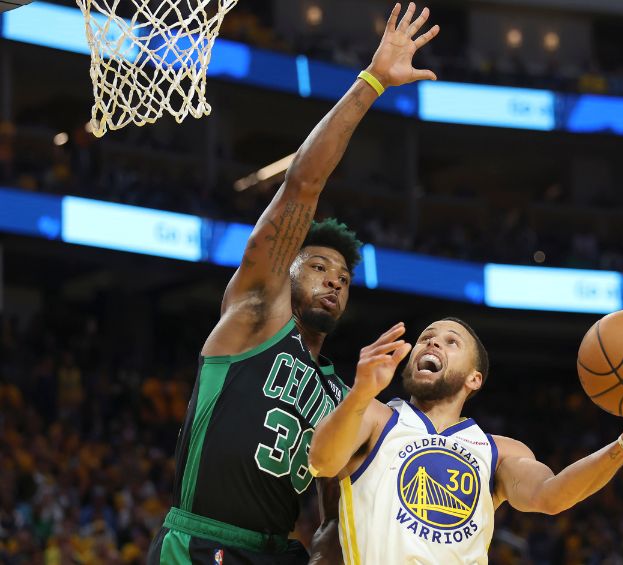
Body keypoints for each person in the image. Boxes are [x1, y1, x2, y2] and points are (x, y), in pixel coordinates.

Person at [147, 4, 440, 563]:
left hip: (281, 552)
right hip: (204, 539)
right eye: (318, 267)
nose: (333, 282)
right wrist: (372, 82)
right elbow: (303, 185)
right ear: (286, 269)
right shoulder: (256, 313)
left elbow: (334, 520)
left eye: (344, 278)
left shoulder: (343, 394)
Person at [308, 319, 623, 564]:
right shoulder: (374, 416)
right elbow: (322, 462)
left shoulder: (500, 450)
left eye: (450, 342)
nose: (432, 345)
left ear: (474, 379)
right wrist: (359, 393)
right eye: (426, 339)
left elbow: (551, 497)